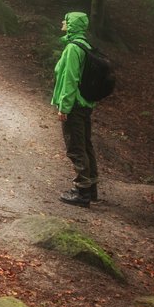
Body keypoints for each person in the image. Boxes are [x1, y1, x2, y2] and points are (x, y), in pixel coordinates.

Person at [51, 11, 99, 206]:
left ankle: (82, 193)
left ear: (72, 25)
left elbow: (70, 80)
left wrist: (64, 107)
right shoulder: (85, 46)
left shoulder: (73, 48)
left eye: (66, 19)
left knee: (76, 148)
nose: (63, 22)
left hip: (75, 106)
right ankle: (91, 188)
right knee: (86, 146)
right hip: (85, 105)